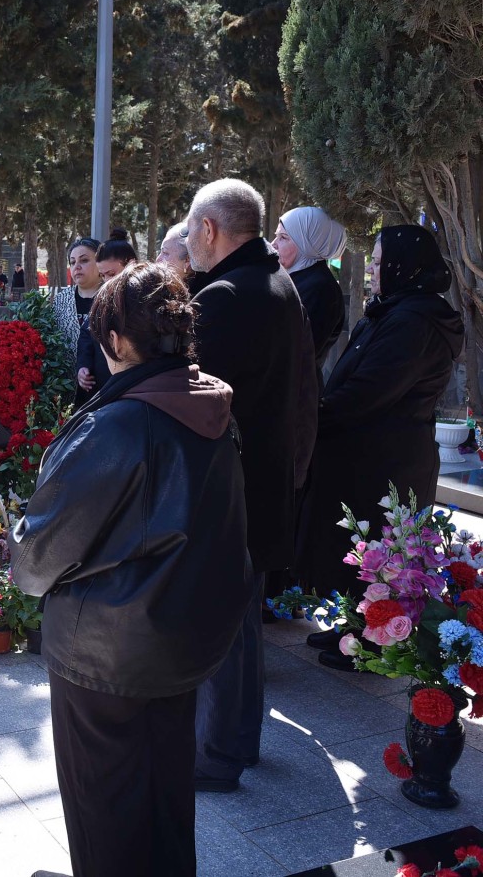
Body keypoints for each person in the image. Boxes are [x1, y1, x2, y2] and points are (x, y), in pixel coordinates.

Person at [12, 264, 252, 877]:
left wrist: (16, 543)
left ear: (116, 341)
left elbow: (37, 559)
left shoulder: (117, 425)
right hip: (184, 638)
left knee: (104, 806)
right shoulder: (212, 408)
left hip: (104, 654)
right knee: (166, 790)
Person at [184, 178, 313, 792]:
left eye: (190, 227)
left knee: (222, 627)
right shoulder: (278, 281)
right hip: (264, 478)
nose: (188, 239)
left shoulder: (225, 295)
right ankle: (238, 740)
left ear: (208, 229)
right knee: (242, 626)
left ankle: (218, 754)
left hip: (229, 488)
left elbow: (195, 400)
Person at [296, 225, 463, 669]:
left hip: (387, 459)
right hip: (368, 453)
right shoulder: (397, 310)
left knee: (381, 554)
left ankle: (372, 644)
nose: (371, 269)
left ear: (402, 266)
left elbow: (371, 389)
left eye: (377, 260)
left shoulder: (414, 321)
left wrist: (317, 416)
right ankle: (354, 627)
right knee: (361, 549)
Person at [272, 206, 347, 375]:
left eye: (283, 237)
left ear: (308, 243)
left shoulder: (321, 290)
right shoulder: (296, 278)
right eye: (277, 235)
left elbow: (293, 350)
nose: (273, 244)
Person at [75, 229, 137, 403]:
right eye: (103, 276)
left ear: (131, 264)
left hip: (134, 390)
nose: (108, 281)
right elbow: (86, 335)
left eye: (112, 274)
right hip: (101, 390)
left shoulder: (147, 300)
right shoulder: (102, 297)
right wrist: (83, 366)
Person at [52, 236, 100, 406]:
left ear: (99, 262)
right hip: (65, 389)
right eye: (72, 262)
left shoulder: (111, 297)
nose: (77, 267)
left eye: (84, 260)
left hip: (100, 387)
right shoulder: (61, 300)